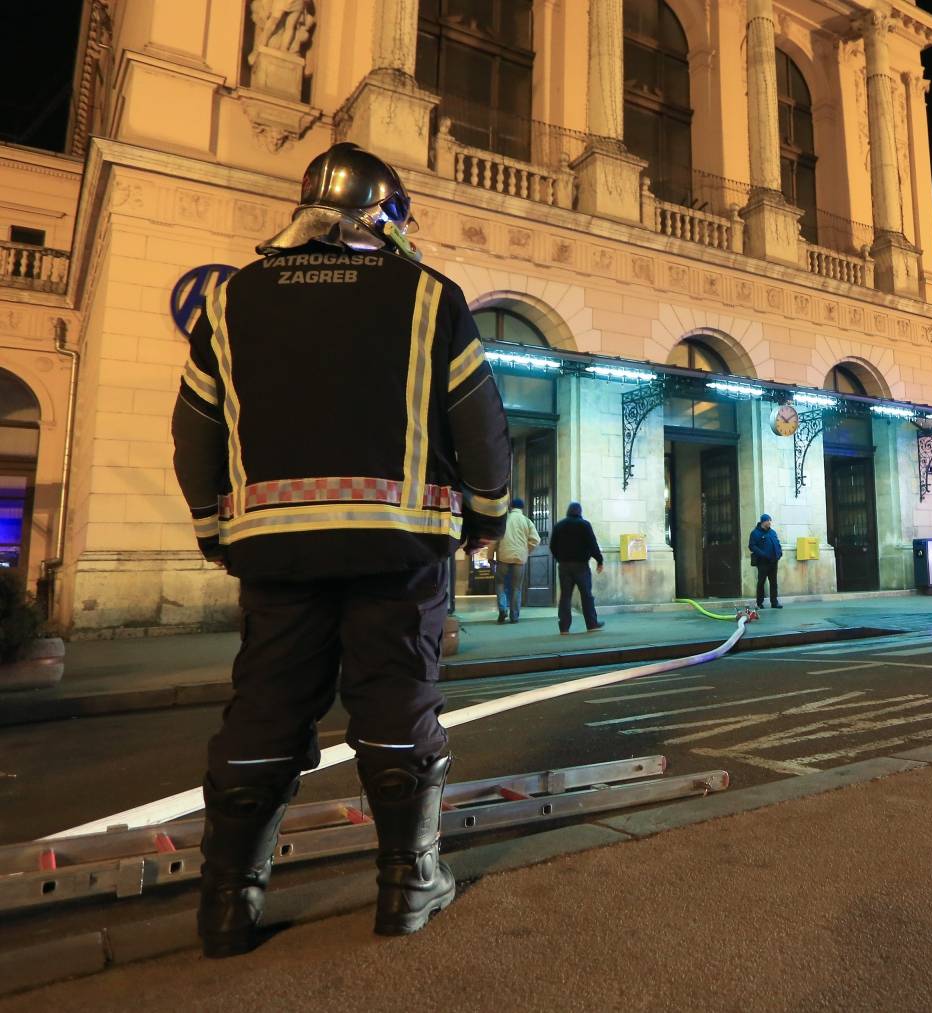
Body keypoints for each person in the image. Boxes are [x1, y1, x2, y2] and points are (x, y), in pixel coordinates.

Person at [171, 143, 511, 955]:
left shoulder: (233, 297)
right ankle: (406, 885)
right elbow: (481, 426)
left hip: (277, 553)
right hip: (397, 546)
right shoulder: (427, 296)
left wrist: (214, 528)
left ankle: (228, 905)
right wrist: (488, 518)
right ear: (386, 217)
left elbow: (195, 430)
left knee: (265, 708)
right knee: (395, 703)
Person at [550, 501, 605, 634]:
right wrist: (599, 560)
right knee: (586, 595)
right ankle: (591, 624)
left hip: (564, 566)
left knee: (565, 596)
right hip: (581, 566)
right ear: (580, 512)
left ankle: (564, 627)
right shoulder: (584, 525)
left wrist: (560, 558)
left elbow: (552, 546)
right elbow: (592, 544)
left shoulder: (559, 526)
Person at [493, 498, 539, 624]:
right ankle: (514, 616)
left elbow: (494, 538)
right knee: (516, 588)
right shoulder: (526, 521)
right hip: (519, 559)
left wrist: (490, 556)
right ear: (522, 508)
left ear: (510, 507)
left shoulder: (503, 520)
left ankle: (502, 609)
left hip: (503, 557)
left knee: (499, 583)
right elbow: (536, 540)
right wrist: (526, 550)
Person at [748, 513, 783, 609]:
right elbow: (752, 546)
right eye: (768, 521)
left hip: (773, 561)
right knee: (761, 582)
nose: (769, 523)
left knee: (773, 582)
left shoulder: (772, 532)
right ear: (763, 522)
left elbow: (777, 543)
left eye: (770, 521)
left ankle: (774, 602)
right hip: (762, 562)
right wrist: (762, 554)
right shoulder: (755, 533)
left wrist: (779, 552)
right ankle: (759, 602)